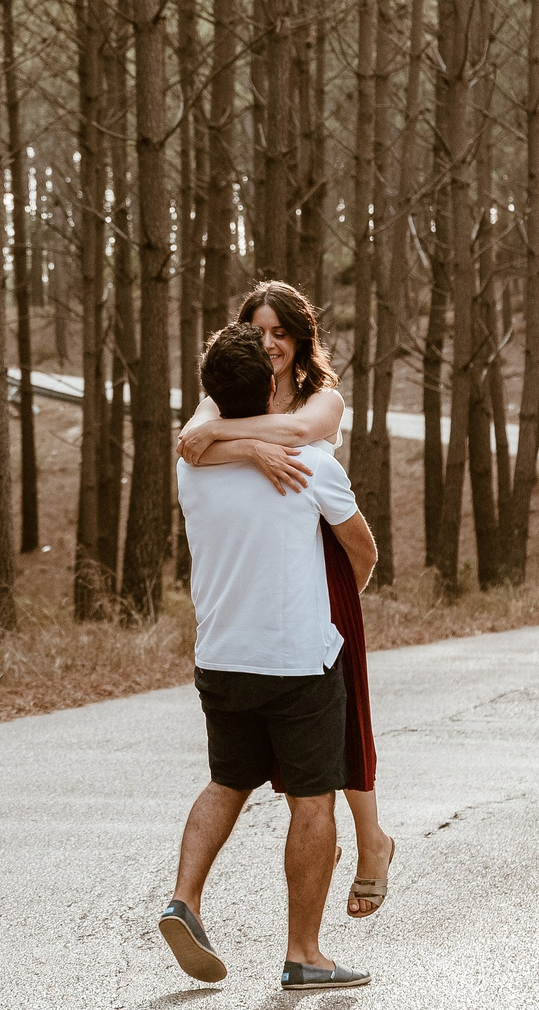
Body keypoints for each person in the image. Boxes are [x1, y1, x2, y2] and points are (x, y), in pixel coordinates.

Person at [159, 320, 377, 992]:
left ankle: (183, 901)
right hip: (297, 662)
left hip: (221, 655)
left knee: (227, 781)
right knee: (312, 804)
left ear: (214, 397)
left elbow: (203, 439)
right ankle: (304, 952)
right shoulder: (312, 464)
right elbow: (362, 549)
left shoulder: (191, 465)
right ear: (272, 385)